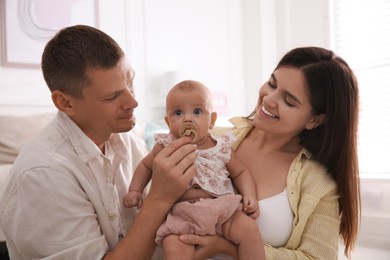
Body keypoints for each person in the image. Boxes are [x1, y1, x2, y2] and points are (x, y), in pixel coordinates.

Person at [0, 25, 198, 260]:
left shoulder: (125, 138)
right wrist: (160, 198)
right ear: (65, 103)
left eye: (130, 83)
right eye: (112, 96)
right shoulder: (42, 175)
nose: (133, 102)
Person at [179, 47, 361, 260]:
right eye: (272, 83)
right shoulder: (211, 140)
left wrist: (231, 248)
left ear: (315, 120)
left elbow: (317, 258)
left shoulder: (319, 184)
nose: (268, 99)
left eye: (289, 101)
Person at [122, 80, 265, 260]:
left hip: (222, 210)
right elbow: (145, 165)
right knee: (173, 245)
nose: (187, 119)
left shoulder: (222, 147)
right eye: (178, 113)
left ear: (212, 120)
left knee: (249, 230)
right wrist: (135, 190)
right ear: (168, 122)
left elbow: (241, 173)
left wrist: (249, 195)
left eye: (197, 111)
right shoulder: (165, 145)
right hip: (181, 215)